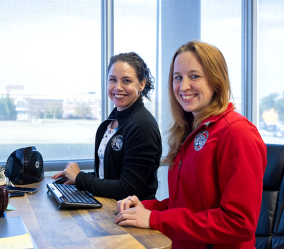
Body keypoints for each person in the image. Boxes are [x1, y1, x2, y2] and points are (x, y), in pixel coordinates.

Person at [114, 41, 267, 248]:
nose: (183, 86)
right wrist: (147, 208)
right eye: (178, 77)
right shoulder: (191, 132)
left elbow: (238, 223)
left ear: (216, 80)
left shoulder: (236, 132)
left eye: (194, 76)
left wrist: (155, 219)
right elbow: (186, 206)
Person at [52, 52, 162, 201]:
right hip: (109, 210)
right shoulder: (114, 120)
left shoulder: (143, 125)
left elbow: (127, 189)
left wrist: (81, 178)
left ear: (142, 84)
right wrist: (77, 178)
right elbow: (110, 176)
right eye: (112, 80)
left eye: (126, 80)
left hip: (132, 217)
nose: (118, 87)